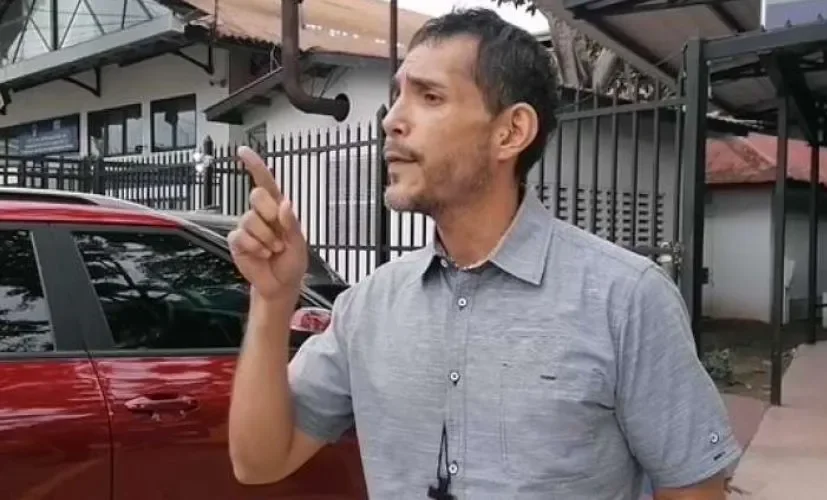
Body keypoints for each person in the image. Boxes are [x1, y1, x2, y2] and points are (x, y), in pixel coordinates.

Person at [226, 7, 741, 500]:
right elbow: (258, 463)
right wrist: (273, 301)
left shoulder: (625, 298)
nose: (392, 121)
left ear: (511, 132)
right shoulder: (369, 306)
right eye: (397, 94)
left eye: (429, 96)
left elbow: (692, 486)